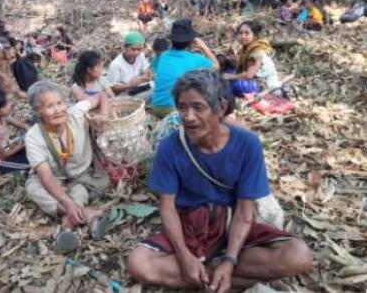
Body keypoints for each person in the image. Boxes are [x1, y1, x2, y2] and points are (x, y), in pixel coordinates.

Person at [126, 70, 312, 291]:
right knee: (138, 264)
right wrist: (184, 256)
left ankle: (211, 275)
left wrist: (230, 260)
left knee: (298, 256)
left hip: (231, 222)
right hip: (190, 226)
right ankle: (222, 278)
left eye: (198, 107)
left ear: (221, 108)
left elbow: (245, 211)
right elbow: (167, 208)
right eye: (182, 107)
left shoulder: (247, 145)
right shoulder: (170, 147)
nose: (188, 116)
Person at [25, 80, 111, 252]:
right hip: (54, 179)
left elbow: (102, 96)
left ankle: (66, 225)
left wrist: (103, 115)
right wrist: (66, 201)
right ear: (39, 112)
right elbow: (46, 177)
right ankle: (88, 215)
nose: (58, 110)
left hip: (82, 176)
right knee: (33, 188)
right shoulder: (33, 137)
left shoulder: (76, 113)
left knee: (79, 190)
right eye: (50, 106)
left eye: (60, 103)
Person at [151, 18, 219, 119]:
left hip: (156, 106)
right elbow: (216, 66)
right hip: (173, 108)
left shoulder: (164, 55)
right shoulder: (194, 59)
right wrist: (204, 46)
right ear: (191, 42)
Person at [222, 21, 282, 97]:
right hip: (254, 80)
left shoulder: (257, 52)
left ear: (255, 36)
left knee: (231, 82)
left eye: (247, 33)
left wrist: (230, 77)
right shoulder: (246, 49)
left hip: (264, 86)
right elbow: (244, 69)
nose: (243, 36)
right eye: (240, 33)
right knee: (228, 70)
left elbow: (249, 75)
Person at [107, 31, 152, 101]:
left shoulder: (140, 56)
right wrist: (130, 84)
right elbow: (112, 89)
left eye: (139, 49)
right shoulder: (116, 65)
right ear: (124, 47)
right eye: (133, 49)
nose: (136, 52)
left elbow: (146, 70)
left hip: (139, 88)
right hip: (125, 95)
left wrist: (145, 76)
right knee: (155, 92)